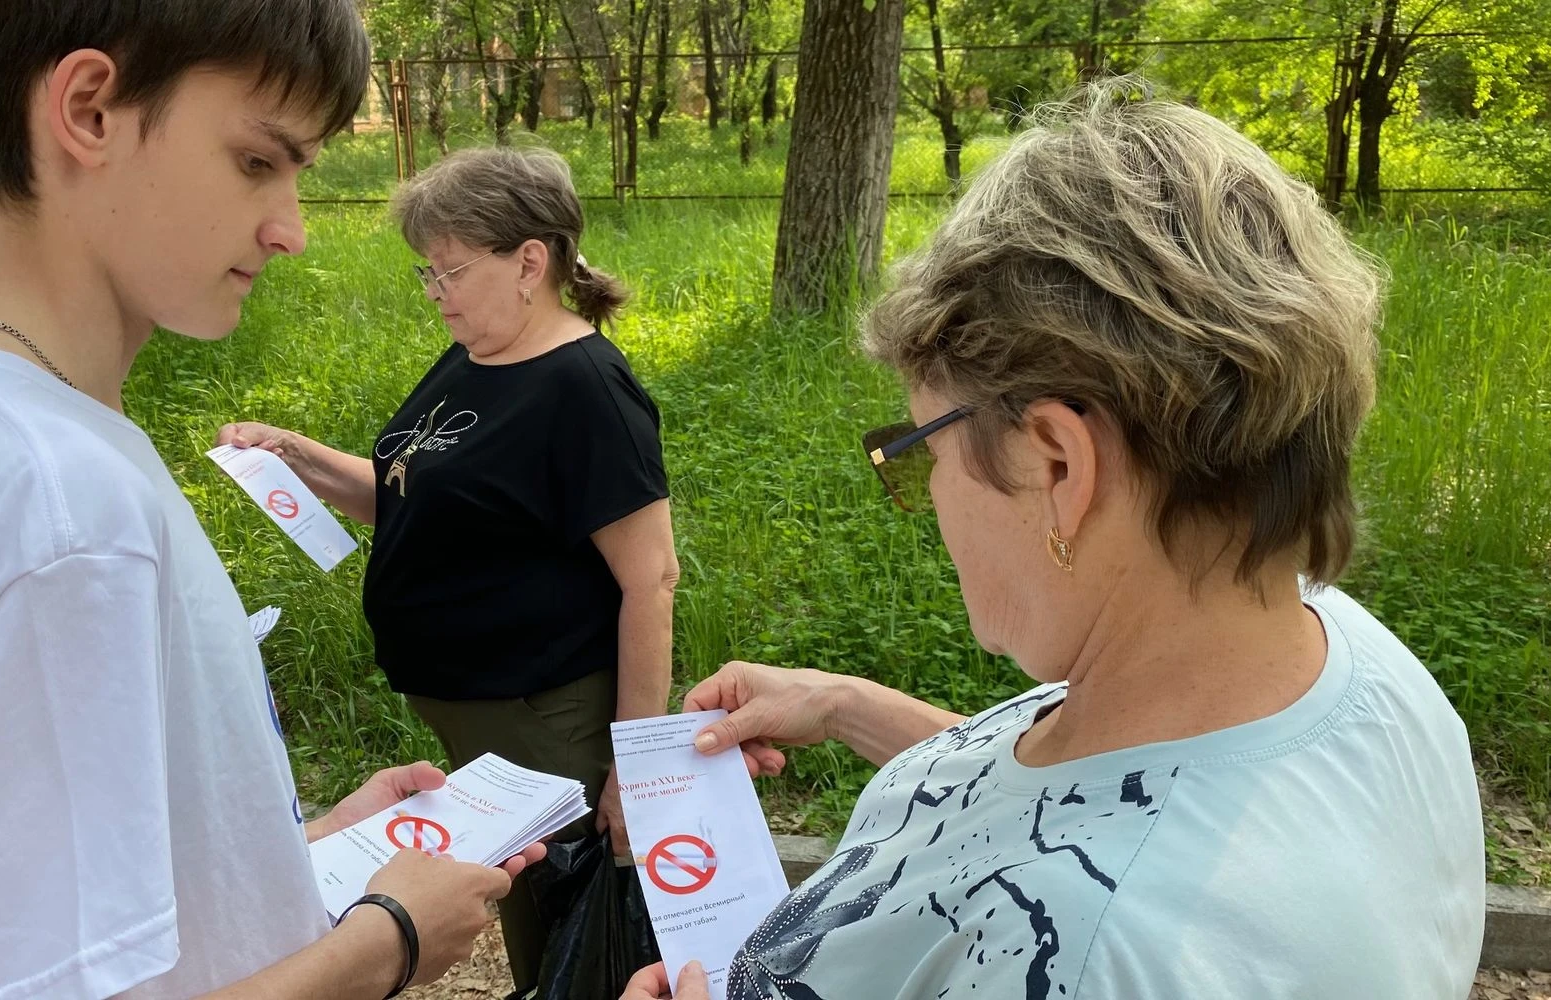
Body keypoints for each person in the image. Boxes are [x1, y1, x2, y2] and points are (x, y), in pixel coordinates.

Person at [624, 80, 1484, 1000]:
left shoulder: (1080, 962)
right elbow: (1102, 805)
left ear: (1058, 466)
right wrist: (845, 705)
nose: (926, 495)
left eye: (924, 451)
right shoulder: (1333, 654)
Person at [0, 2, 540, 997]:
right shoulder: (55, 504)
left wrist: (287, 849)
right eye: (255, 160)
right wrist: (387, 943)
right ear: (89, 110)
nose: (290, 232)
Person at [218, 145, 679, 995]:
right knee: (525, 898)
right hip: (470, 708)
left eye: (450, 271)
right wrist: (295, 453)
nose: (435, 293)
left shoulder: (584, 387)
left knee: (564, 923)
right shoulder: (475, 355)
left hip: (542, 714)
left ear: (529, 262)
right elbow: (410, 496)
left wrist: (636, 762)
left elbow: (649, 579)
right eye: (427, 273)